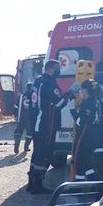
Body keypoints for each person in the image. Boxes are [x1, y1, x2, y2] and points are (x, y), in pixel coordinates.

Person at [28, 59, 70, 194]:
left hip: (35, 124)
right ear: (51, 68)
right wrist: (70, 93)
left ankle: (31, 183)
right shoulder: (49, 83)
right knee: (44, 154)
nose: (59, 71)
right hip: (46, 125)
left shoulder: (37, 81)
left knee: (36, 154)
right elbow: (60, 103)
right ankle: (37, 184)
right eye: (57, 68)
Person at [71, 80, 100, 181]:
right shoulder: (95, 101)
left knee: (78, 161)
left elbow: (82, 121)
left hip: (84, 136)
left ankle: (78, 187)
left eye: (81, 91)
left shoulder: (88, 104)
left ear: (87, 91)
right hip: (92, 136)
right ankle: (93, 182)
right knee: (87, 162)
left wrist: (73, 112)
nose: (80, 93)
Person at [13, 82, 34, 154]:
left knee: (18, 131)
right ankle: (26, 147)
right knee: (29, 133)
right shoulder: (33, 95)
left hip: (21, 117)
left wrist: (15, 115)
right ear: (32, 87)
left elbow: (16, 106)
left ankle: (16, 145)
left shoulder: (21, 96)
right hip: (30, 118)